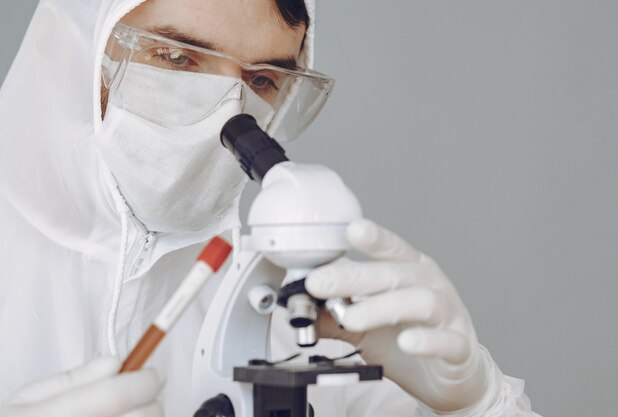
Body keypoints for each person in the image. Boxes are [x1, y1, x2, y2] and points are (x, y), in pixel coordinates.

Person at [0, 0, 541, 416]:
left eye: (262, 80)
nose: (227, 112)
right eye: (174, 57)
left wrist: (478, 401)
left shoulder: (299, 319)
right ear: (79, 50)